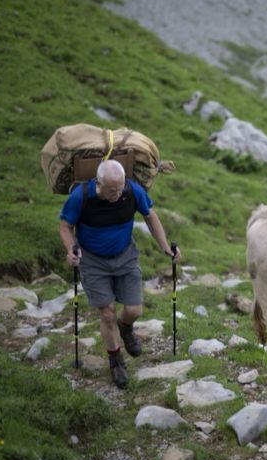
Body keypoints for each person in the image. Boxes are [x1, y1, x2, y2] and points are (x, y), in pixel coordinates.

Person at [59, 159, 181, 388]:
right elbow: (65, 225)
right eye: (111, 190)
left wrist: (165, 246)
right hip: (92, 261)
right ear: (99, 183)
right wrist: (70, 250)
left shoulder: (132, 191)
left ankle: (126, 328)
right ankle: (116, 360)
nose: (117, 194)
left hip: (125, 256)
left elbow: (150, 216)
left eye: (120, 188)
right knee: (107, 313)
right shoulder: (81, 196)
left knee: (134, 310)